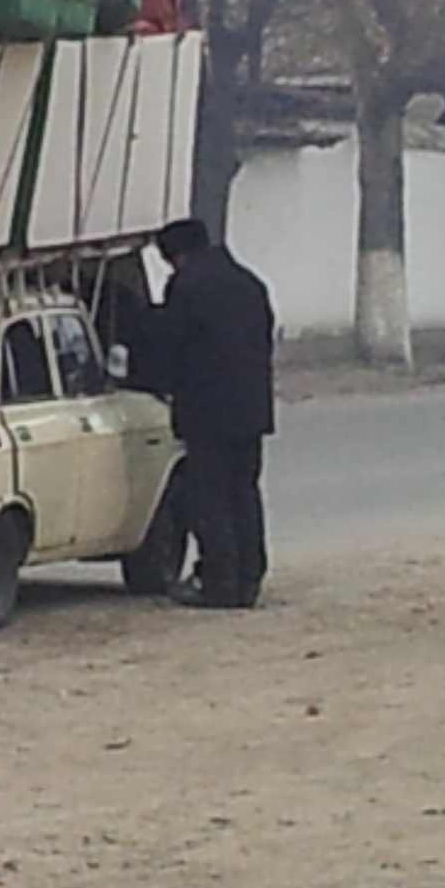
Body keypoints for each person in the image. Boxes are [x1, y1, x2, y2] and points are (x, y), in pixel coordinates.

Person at [150, 217, 277, 609]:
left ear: (176, 256)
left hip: (206, 411)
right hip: (251, 408)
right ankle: (249, 578)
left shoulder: (186, 287)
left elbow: (169, 344)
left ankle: (219, 582)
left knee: (211, 497)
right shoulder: (250, 283)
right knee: (244, 492)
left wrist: (160, 383)